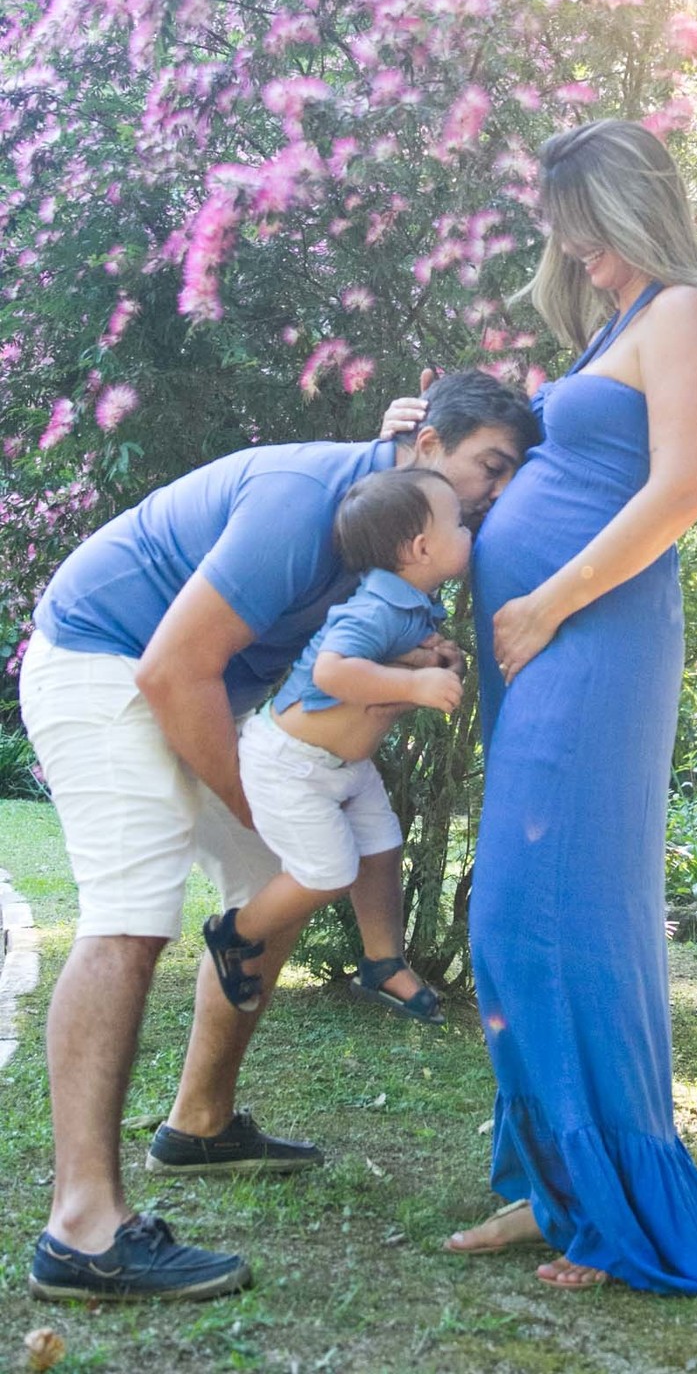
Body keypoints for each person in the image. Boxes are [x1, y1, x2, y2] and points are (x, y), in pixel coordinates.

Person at [19, 370, 537, 1303]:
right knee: (132, 913)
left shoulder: (388, 526)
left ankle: (201, 1123)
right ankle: (82, 1228)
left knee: (281, 878)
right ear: (426, 446)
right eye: (489, 469)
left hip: (200, 686)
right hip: (109, 658)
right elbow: (174, 670)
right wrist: (265, 807)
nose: (494, 499)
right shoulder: (308, 505)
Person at [442, 120, 697, 1296]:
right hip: (546, 646)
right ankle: (550, 1190)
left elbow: (683, 487)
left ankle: (609, 1202)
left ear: (636, 208)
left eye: (591, 231)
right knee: (523, 914)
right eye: (568, 236)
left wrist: (545, 602)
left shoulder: (686, 312)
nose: (580, 254)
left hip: (593, 639)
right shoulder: (615, 322)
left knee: (547, 915)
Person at [204, 467, 470, 1021]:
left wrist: (438, 656)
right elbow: (331, 672)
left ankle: (382, 961)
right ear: (421, 547)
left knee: (382, 845)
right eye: (460, 523)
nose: (470, 531)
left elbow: (393, 657)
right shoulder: (374, 606)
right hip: (291, 766)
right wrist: (416, 683)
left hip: (346, 766)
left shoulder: (411, 604)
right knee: (327, 873)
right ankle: (235, 933)